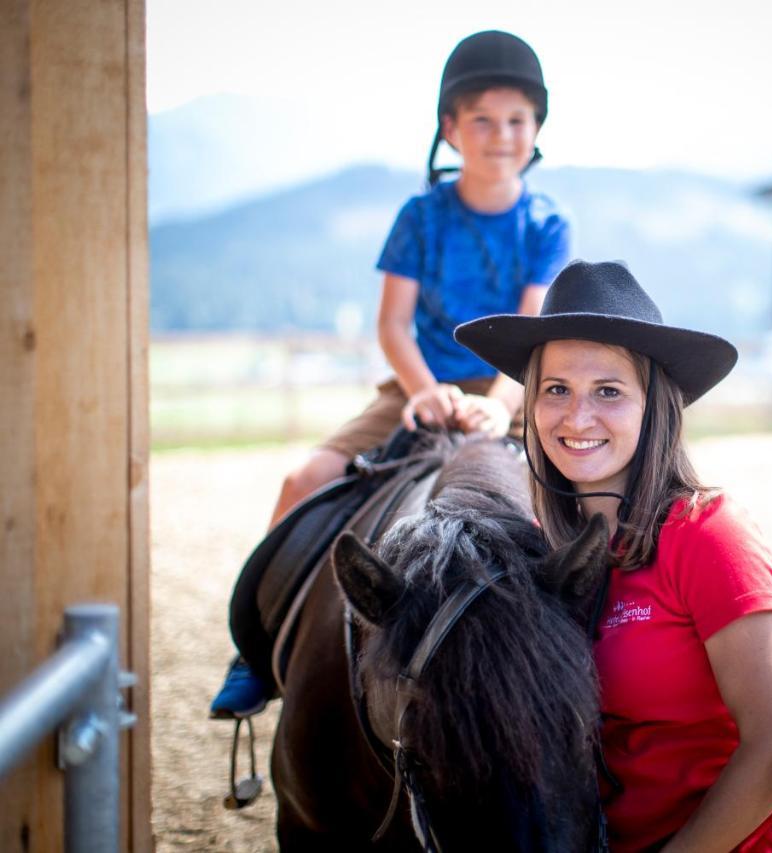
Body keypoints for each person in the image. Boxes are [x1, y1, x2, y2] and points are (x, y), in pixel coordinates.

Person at [210, 29, 571, 718]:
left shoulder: (547, 223)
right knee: (304, 479)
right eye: (483, 120)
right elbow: (392, 324)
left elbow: (535, 329)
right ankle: (255, 647)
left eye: (517, 120)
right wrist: (424, 389)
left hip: (515, 384)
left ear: (537, 128)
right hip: (417, 382)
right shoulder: (421, 216)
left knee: (588, 505)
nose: (501, 135)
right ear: (451, 128)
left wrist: (498, 403)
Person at [456, 260, 772, 851]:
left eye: (608, 391)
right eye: (556, 390)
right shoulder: (538, 547)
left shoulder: (707, 536)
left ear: (656, 406)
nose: (577, 417)